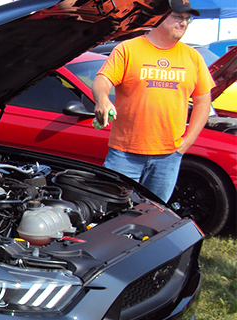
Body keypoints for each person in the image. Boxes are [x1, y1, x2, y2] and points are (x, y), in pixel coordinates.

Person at [92, 0, 214, 203]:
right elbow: (102, 80)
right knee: (112, 211)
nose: (183, 23)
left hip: (168, 156)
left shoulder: (193, 57)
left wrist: (186, 143)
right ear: (159, 17)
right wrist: (102, 99)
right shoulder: (128, 49)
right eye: (178, 17)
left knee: (153, 215)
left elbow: (203, 102)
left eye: (187, 19)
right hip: (125, 154)